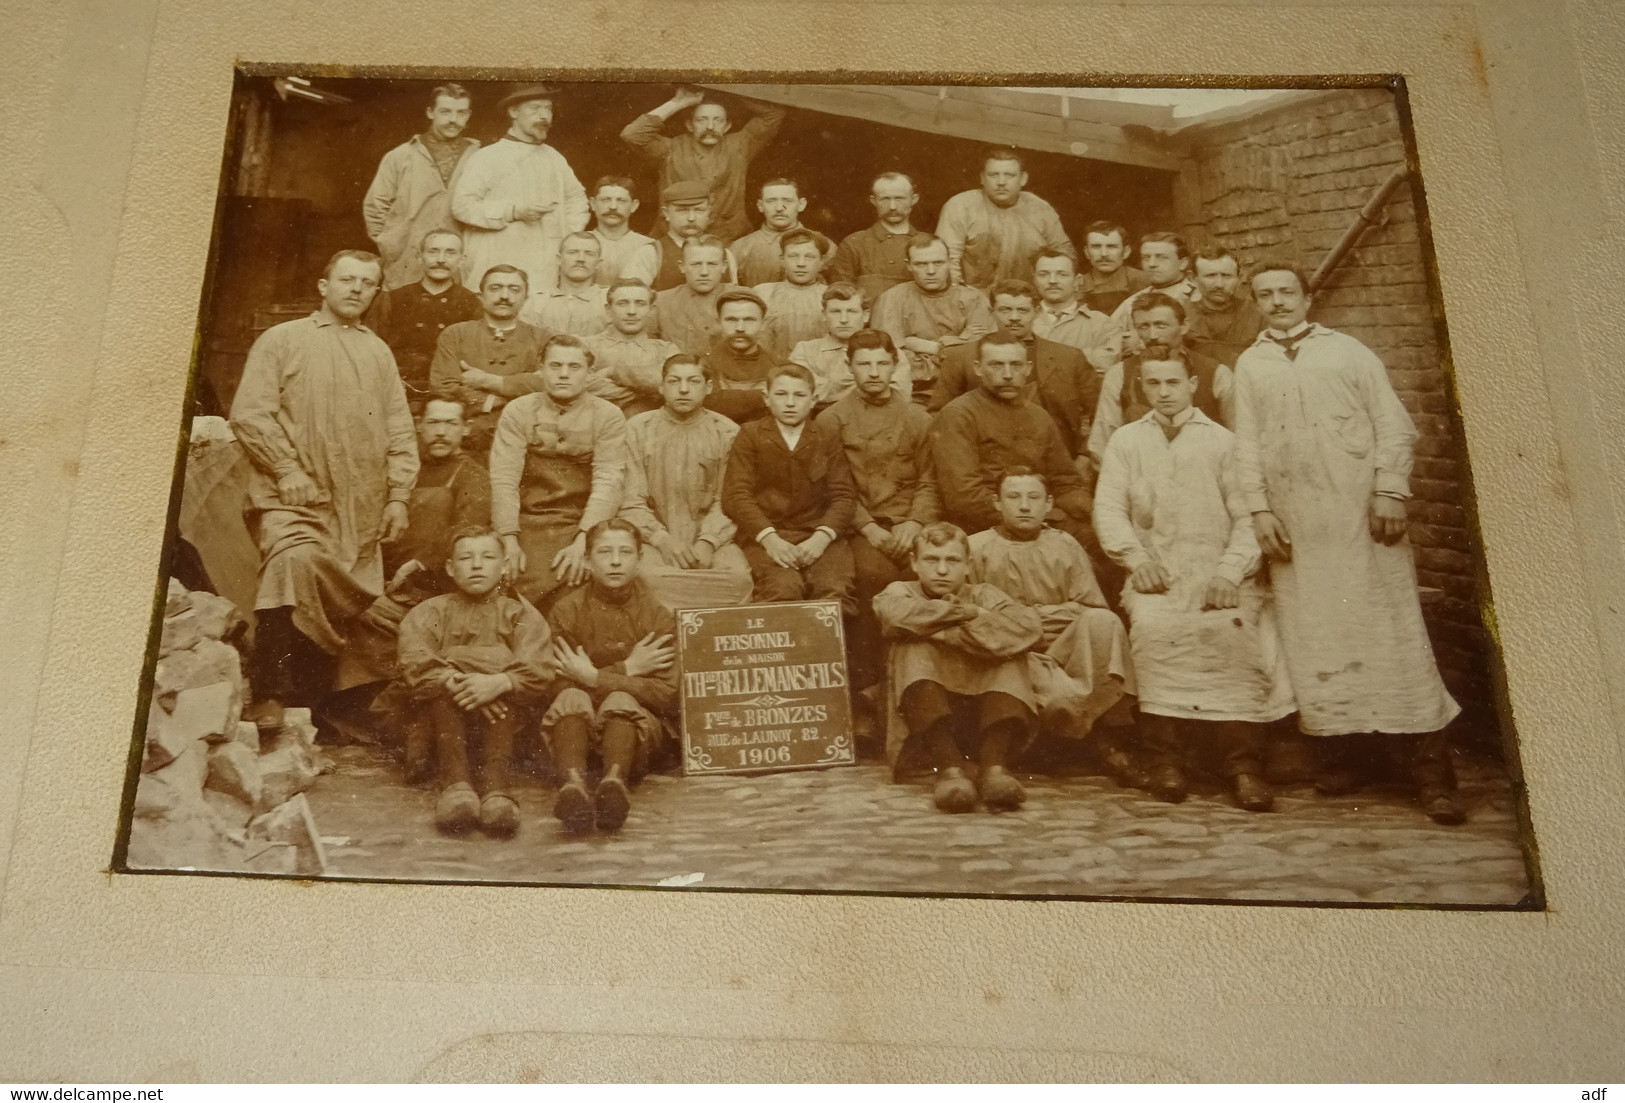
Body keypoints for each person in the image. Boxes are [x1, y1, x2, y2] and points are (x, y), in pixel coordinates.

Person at [1233, 262, 1465, 824]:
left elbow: (1394, 424)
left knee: (1392, 636)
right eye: (1266, 295)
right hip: (1298, 527)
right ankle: (1348, 757)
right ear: (1257, 304)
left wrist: (1389, 490)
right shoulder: (1251, 363)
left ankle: (1431, 775)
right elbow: (1247, 444)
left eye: (1287, 292)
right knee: (1317, 637)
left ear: (1308, 297)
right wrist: (1260, 511)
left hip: (1361, 518)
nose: (1278, 302)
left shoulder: (1348, 353)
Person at [1093, 351, 1293, 812]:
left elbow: (1247, 516)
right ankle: (1167, 761)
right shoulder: (1126, 441)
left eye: (1173, 382)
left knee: (1230, 636)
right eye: (1153, 383)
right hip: (1157, 573)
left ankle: (1243, 766)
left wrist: (1228, 571)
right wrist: (1136, 559)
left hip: (1218, 571)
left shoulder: (1223, 442)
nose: (1164, 392)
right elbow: (1108, 510)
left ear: (1192, 383)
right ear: (1141, 387)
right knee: (1154, 632)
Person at [229, 250, 417, 734]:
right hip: (293, 498)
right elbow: (250, 413)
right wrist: (286, 468)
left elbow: (399, 428)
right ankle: (273, 694)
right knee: (292, 567)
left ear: (376, 292)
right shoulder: (282, 340)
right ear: (323, 284)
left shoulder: (378, 352)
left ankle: (315, 711)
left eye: (367, 283)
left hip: (360, 504)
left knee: (344, 602)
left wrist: (397, 495)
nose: (356, 289)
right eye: (347, 279)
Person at [336, 398, 493, 720]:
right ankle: (362, 708)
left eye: (451, 424)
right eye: (434, 423)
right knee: (352, 606)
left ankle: (392, 708)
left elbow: (466, 531)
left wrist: (419, 564)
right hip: (388, 581)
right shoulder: (404, 473)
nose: (441, 432)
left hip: (438, 590)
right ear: (420, 427)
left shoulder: (472, 475)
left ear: (465, 429)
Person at [873, 522, 1042, 812]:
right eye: (931, 560)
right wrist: (971, 616)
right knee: (913, 648)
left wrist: (940, 629)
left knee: (1011, 655)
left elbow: (1028, 627)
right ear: (914, 563)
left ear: (967, 565)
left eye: (952, 561)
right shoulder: (901, 590)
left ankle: (994, 769)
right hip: (929, 726)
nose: (941, 570)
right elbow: (893, 614)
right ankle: (949, 770)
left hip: (981, 715)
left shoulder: (985, 594)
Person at [396, 526, 553, 836]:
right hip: (442, 720)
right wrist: (456, 678)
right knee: (447, 683)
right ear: (452, 568)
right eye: (466, 558)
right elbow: (414, 659)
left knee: (501, 681)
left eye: (488, 557)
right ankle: (456, 785)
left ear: (505, 566)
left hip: (507, 724)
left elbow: (538, 666)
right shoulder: (429, 612)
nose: (477, 565)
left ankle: (497, 788)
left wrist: (499, 683)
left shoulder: (521, 614)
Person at [969, 469, 1135, 757]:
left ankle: (1111, 736)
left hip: (1062, 646)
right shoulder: (976, 547)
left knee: (1104, 622)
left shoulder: (1064, 545)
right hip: (1011, 652)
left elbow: (1088, 607)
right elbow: (974, 613)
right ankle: (1054, 742)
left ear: (1048, 504)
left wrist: (1029, 617)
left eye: (1033, 497)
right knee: (1057, 694)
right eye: (1013, 497)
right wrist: (1035, 622)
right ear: (997, 502)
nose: (1024, 506)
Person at [815, 330, 938, 695]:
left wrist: (915, 522)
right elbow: (834, 488)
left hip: (911, 523)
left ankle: (925, 682)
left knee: (937, 575)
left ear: (895, 365)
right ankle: (870, 686)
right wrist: (868, 528)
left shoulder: (918, 419)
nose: (873, 372)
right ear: (848, 367)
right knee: (872, 575)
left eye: (882, 363)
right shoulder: (831, 420)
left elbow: (931, 481)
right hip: (860, 527)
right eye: (864, 364)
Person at [542, 519, 679, 835]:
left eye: (625, 552)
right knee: (570, 696)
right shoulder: (568, 610)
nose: (615, 561)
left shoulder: (657, 615)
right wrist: (627, 670)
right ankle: (573, 784)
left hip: (637, 738)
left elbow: (666, 693)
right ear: (588, 561)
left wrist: (592, 676)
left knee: (620, 698)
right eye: (604, 552)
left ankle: (614, 782)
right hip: (574, 737)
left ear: (639, 559)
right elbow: (556, 683)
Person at [489, 334, 628, 610]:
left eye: (574, 367)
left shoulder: (608, 415)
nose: (563, 374)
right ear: (541, 369)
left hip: (580, 519)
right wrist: (508, 537)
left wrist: (585, 540)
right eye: (555, 366)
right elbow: (504, 478)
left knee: (577, 574)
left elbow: (608, 481)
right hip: (527, 517)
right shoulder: (518, 411)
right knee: (511, 572)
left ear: (589, 374)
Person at [930, 330, 1095, 549]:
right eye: (996, 365)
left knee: (1100, 541)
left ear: (1028, 369)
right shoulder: (959, 414)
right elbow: (964, 497)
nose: (1007, 374)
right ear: (978, 368)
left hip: (1039, 517)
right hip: (987, 525)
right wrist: (1035, 520)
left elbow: (1065, 481)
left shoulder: (1038, 416)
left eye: (1016, 365)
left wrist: (1092, 511)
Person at [619, 353, 754, 609]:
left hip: (714, 541)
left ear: (709, 387)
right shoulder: (638, 428)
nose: (683, 389)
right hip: (653, 540)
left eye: (693, 381)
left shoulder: (727, 432)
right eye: (674, 381)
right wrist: (662, 540)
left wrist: (707, 542)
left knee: (737, 579)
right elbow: (630, 500)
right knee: (648, 579)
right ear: (661, 386)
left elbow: (731, 499)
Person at [722, 363, 857, 615]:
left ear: (814, 399)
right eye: (782, 394)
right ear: (767, 398)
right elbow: (736, 495)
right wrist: (770, 539)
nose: (790, 403)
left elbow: (844, 496)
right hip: (768, 535)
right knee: (782, 590)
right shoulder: (750, 434)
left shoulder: (826, 436)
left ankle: (831, 655)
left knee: (833, 592)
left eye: (799, 395)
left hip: (818, 533)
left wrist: (821, 537)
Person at [929, 279, 1096, 463]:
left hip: (1057, 461)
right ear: (991, 312)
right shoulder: (961, 357)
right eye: (1005, 310)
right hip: (986, 464)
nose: (1014, 317)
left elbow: (1098, 413)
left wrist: (1084, 456)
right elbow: (939, 416)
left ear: (1037, 311)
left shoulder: (1069, 357)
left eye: (1023, 310)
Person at [451, 84, 588, 293]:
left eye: (548, 108)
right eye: (535, 108)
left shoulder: (554, 158)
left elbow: (577, 200)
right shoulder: (487, 156)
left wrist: (566, 233)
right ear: (513, 111)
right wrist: (513, 212)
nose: (544, 116)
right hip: (496, 263)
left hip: (543, 271)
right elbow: (462, 206)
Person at [620, 86, 786, 244]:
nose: (710, 126)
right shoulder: (670, 149)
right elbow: (633, 134)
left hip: (729, 241)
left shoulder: (739, 146)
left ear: (727, 126)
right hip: (675, 240)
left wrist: (731, 91)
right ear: (690, 125)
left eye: (718, 120)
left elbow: (773, 115)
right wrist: (679, 103)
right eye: (702, 120)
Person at [1086, 292, 1230, 470]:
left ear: (1184, 326)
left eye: (1161, 325)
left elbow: (1238, 437)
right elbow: (1103, 443)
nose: (1152, 335)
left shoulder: (1216, 372)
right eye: (1143, 326)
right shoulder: (1119, 374)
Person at [362, 84, 479, 290]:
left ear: (469, 115)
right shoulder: (401, 156)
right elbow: (375, 206)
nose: (453, 120)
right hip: (407, 260)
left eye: (461, 113)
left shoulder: (479, 157)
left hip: (458, 262)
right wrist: (391, 245)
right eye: (445, 111)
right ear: (430, 112)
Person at [428, 264, 553, 453]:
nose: (504, 296)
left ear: (525, 299)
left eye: (514, 289)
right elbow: (444, 387)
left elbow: (551, 383)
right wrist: (505, 396)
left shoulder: (544, 339)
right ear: (480, 296)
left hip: (526, 434)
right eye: (495, 288)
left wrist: (493, 382)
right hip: (469, 437)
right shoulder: (456, 334)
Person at [365, 229, 482, 411]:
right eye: (433, 251)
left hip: (451, 400)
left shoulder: (472, 304)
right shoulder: (391, 299)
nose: (441, 259)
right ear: (420, 257)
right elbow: (369, 353)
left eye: (450, 252)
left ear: (462, 260)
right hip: (397, 394)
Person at [870, 236, 996, 401]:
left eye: (938, 263)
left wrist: (931, 347)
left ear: (949, 262)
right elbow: (893, 363)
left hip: (966, 395)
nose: (931, 271)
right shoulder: (891, 300)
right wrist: (957, 344)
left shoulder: (973, 299)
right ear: (908, 265)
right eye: (921, 264)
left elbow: (979, 358)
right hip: (913, 395)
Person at [935, 147, 1075, 291]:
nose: (1001, 182)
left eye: (1009, 175)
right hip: (974, 299)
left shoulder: (1040, 209)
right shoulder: (961, 206)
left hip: (1026, 300)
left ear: (1023, 179)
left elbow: (1063, 253)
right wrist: (959, 296)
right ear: (982, 178)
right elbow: (945, 257)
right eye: (993, 175)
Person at [788, 282, 913, 407]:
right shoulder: (805, 351)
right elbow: (802, 393)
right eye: (836, 311)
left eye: (852, 311)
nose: (844, 319)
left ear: (865, 315)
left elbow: (900, 396)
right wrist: (868, 387)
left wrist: (832, 387)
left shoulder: (889, 351)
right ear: (824, 315)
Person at [828, 171, 934, 306]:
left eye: (900, 198)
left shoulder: (930, 244)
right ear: (873, 201)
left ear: (914, 199)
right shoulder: (854, 243)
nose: (892, 206)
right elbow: (839, 298)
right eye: (885, 199)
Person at [583, 278, 683, 417]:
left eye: (640, 304)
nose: (631, 311)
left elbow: (674, 386)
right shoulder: (587, 346)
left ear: (651, 309)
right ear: (608, 309)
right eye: (623, 303)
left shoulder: (665, 350)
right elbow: (579, 386)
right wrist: (646, 392)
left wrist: (615, 371)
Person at [731, 178, 835, 287]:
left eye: (787, 201)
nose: (779, 208)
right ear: (760, 206)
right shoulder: (740, 248)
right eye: (771, 201)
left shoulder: (826, 247)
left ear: (801, 204)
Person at [651, 235, 744, 356]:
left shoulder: (741, 297)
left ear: (724, 266)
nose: (704, 272)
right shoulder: (662, 301)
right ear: (682, 266)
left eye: (712, 264)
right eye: (696, 264)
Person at [1031, 248, 1121, 371]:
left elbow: (1106, 362)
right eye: (1043, 274)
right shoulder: (1024, 320)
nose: (1052, 281)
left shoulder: (1101, 324)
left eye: (1062, 274)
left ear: (1077, 281)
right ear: (1034, 279)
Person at [646, 181, 740, 292]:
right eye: (682, 211)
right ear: (666, 213)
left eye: (699, 210)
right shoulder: (651, 254)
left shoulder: (725, 254)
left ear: (708, 212)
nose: (691, 218)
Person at [698, 287, 773, 423]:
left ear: (763, 323)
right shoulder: (703, 364)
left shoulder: (777, 365)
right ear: (718, 322)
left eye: (749, 320)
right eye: (731, 320)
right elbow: (708, 403)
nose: (740, 328)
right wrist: (764, 396)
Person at [1185, 245, 1267, 368]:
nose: (1219, 284)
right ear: (1193, 278)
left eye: (1226, 276)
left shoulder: (1257, 312)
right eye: (1210, 276)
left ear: (1238, 278)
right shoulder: (1183, 315)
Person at [755, 228, 829, 361]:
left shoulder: (829, 296)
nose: (801, 264)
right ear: (782, 259)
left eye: (809, 257)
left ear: (822, 261)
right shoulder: (763, 294)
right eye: (793, 256)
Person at [1112, 231, 1202, 337]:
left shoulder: (1198, 297)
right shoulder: (1130, 303)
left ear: (1183, 263)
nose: (1151, 264)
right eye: (1146, 258)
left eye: (1161, 258)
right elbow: (1108, 338)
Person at [520, 231, 608, 336]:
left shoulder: (608, 301)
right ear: (559, 259)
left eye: (589, 254)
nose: (581, 259)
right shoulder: (536, 303)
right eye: (573, 252)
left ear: (598, 263)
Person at [585, 176, 658, 287]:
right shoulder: (578, 243)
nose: (613, 207)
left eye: (621, 200)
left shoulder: (648, 245)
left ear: (634, 205)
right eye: (605, 200)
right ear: (593, 203)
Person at [1077, 221, 1153, 316]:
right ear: (1087, 252)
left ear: (1126, 252)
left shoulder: (1145, 281)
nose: (1104, 254)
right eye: (1096, 247)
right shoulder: (1077, 285)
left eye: (1111, 247)